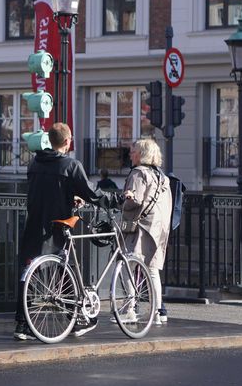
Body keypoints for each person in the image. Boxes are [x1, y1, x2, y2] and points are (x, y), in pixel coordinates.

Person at [16, 122, 114, 340]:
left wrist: (70, 195)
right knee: (64, 267)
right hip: (58, 223)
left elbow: (45, 190)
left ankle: (22, 323)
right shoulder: (70, 165)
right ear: (68, 141)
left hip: (34, 222)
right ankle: (76, 317)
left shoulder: (34, 163)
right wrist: (112, 200)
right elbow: (91, 192)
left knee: (29, 271)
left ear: (50, 140)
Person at [120, 139, 173, 325]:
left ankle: (130, 310)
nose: (130, 154)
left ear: (141, 154)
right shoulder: (163, 177)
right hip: (158, 229)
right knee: (152, 271)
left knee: (127, 267)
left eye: (133, 151)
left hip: (139, 228)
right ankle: (158, 313)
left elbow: (134, 201)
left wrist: (123, 200)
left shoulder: (138, 173)